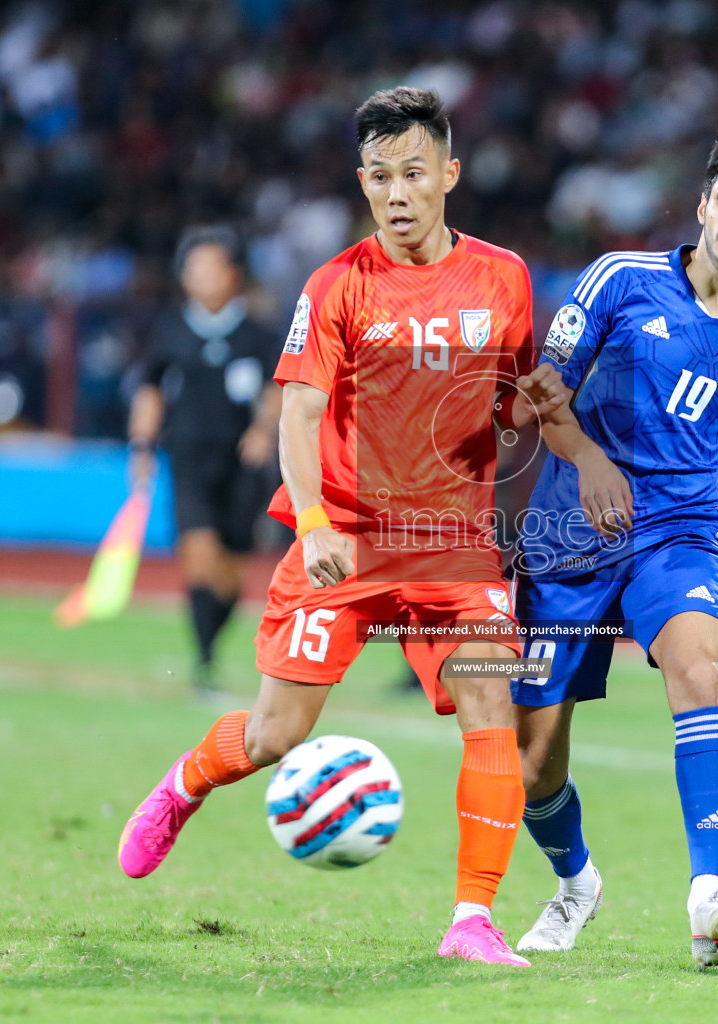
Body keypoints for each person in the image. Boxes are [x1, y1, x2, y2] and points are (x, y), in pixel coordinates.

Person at [116, 87, 573, 967]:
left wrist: (535, 421)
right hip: (348, 542)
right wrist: (316, 522)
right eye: (377, 176)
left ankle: (471, 921)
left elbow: (514, 397)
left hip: (453, 549)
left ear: (450, 173)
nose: (396, 193)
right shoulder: (334, 287)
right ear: (361, 184)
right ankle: (184, 786)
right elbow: (298, 414)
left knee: (494, 708)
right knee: (273, 736)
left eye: (412, 173)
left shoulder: (503, 276)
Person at [508, 124, 718, 969]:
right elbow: (539, 386)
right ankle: (576, 882)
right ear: (702, 203)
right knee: (532, 763)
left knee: (697, 667)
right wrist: (592, 458)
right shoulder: (620, 278)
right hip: (572, 534)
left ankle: (708, 895)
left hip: (677, 536)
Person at [128, 226, 283, 692]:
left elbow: (277, 389)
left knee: (232, 571)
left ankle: (209, 647)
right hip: (189, 457)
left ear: (232, 274)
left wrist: (263, 430)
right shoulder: (171, 331)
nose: (197, 277)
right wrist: (141, 447)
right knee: (198, 553)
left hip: (243, 463)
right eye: (191, 269)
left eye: (208, 267)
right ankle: (204, 660)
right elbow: (150, 390)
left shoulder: (257, 333)